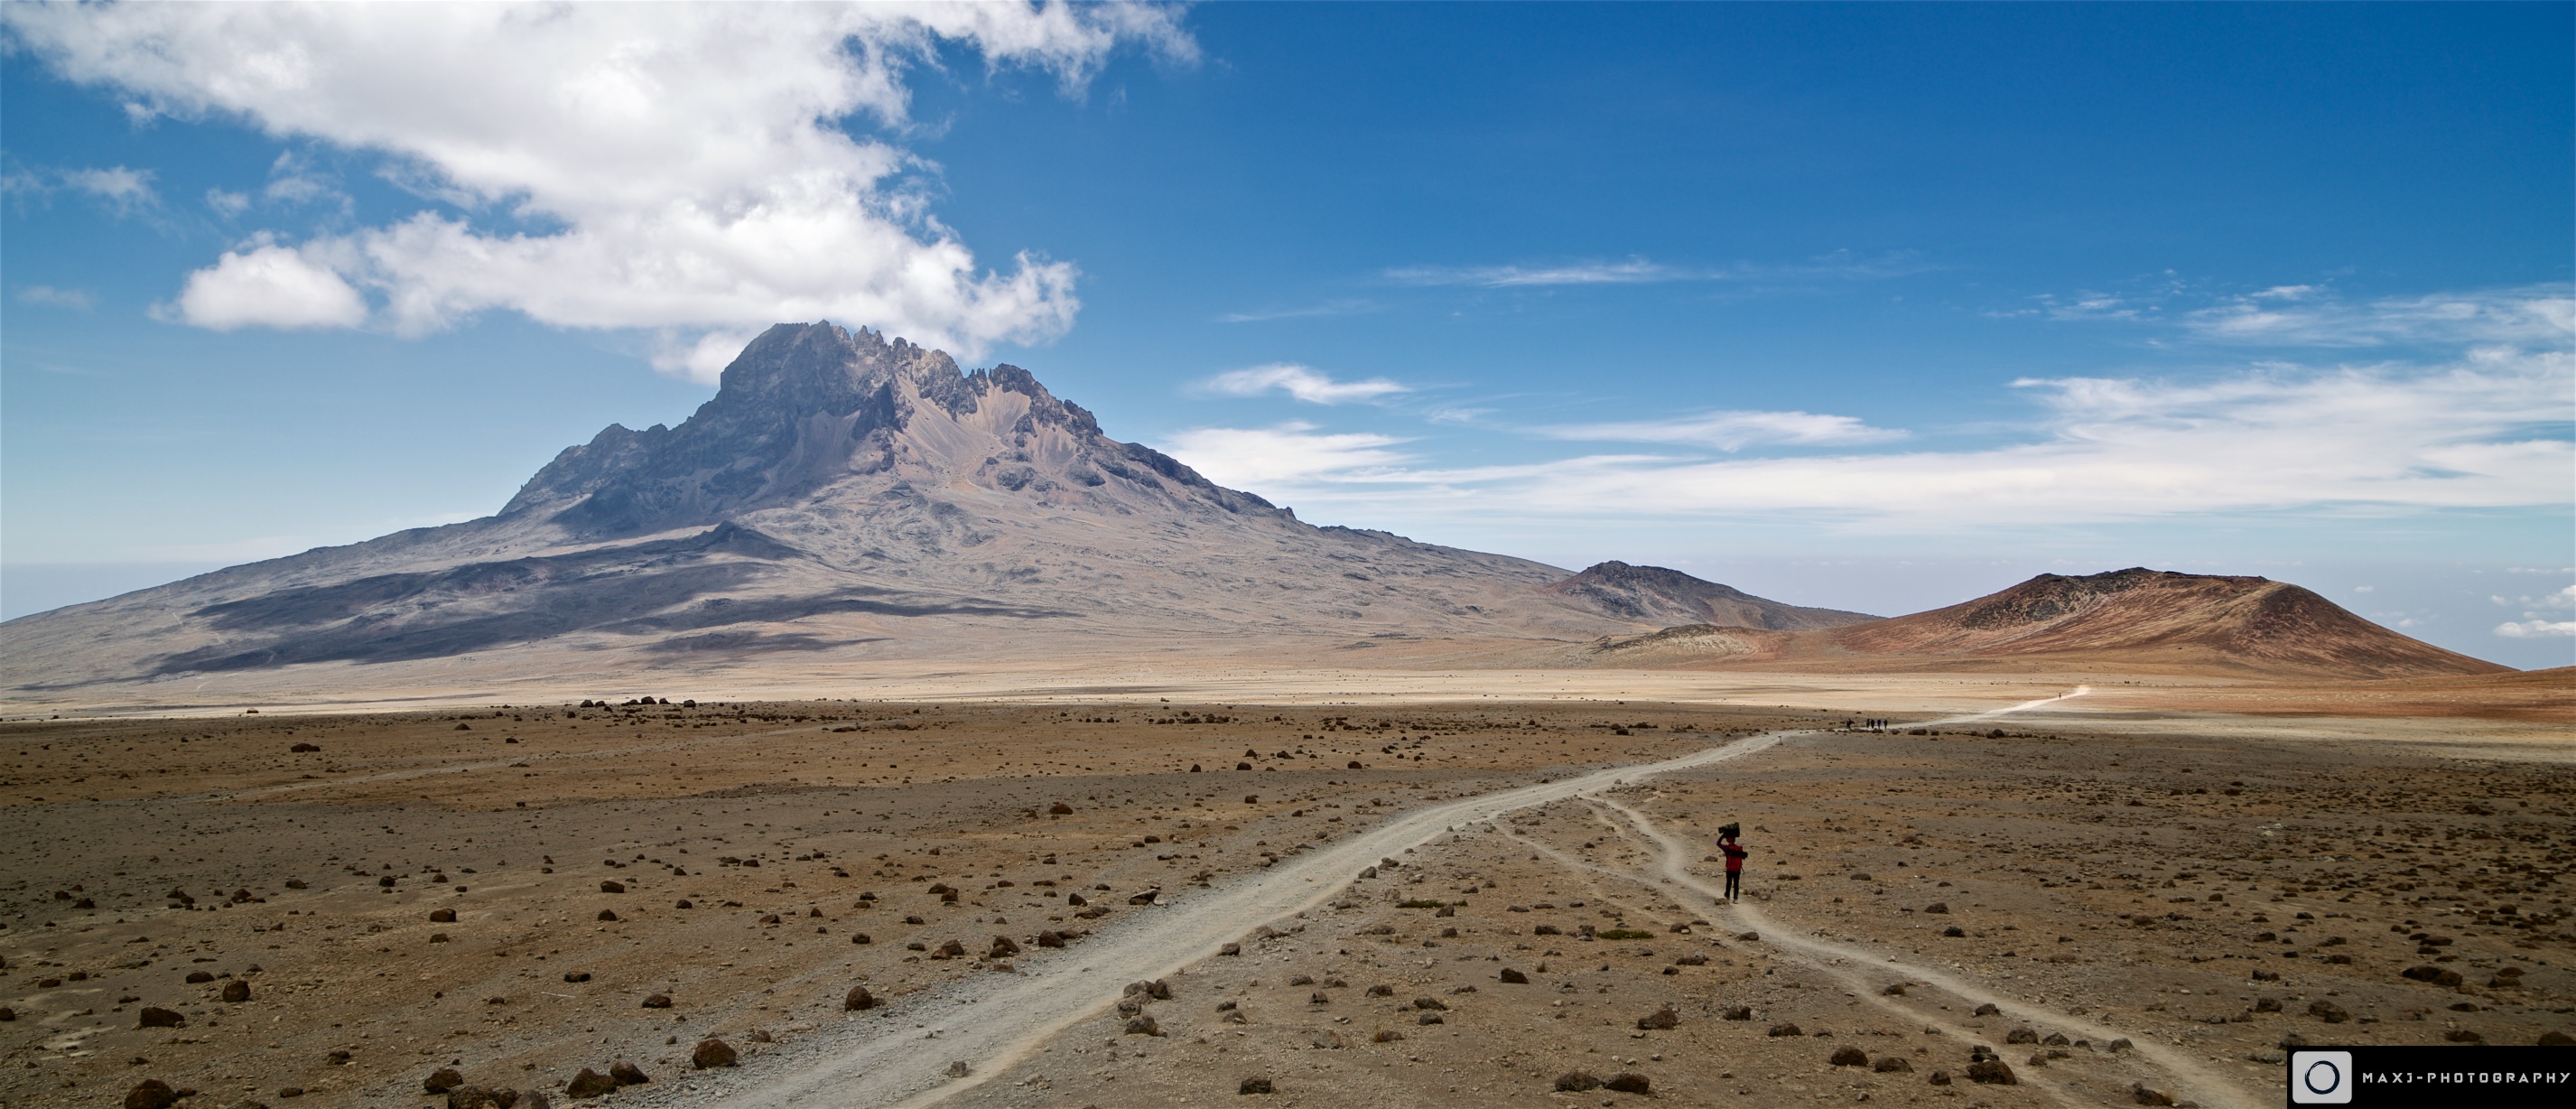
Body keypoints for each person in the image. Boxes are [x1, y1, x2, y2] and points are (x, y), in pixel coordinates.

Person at [1720, 831, 1748, 901]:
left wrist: (1723, 835)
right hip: (1737, 869)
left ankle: (1727, 895)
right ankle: (1736, 898)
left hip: (1730, 869)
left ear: (1727, 840)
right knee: (1736, 883)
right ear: (1734, 840)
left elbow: (1718, 843)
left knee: (1729, 883)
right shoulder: (1739, 848)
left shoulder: (1726, 848)